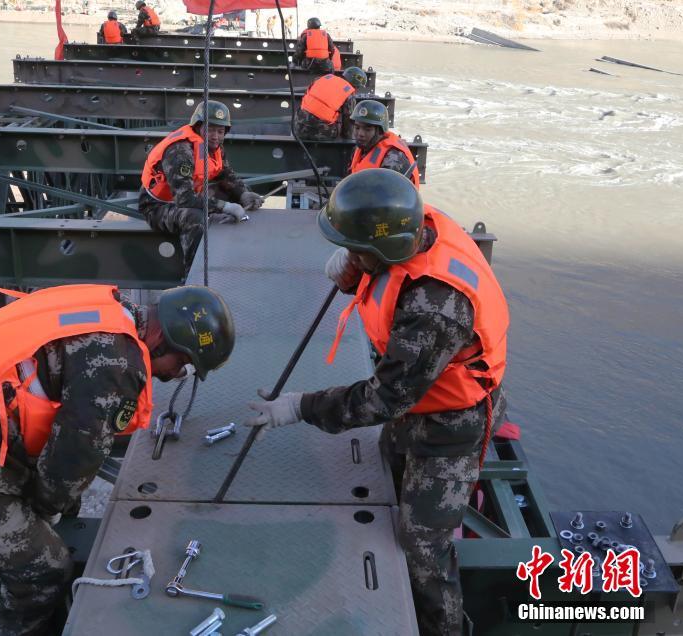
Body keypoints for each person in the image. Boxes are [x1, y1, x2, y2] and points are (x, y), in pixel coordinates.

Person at [244, 169, 509, 636]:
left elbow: (384, 399)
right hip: (419, 399)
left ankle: (443, 629)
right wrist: (355, 265)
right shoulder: (414, 225)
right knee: (388, 468)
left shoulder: (434, 307)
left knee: (422, 544)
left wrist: (300, 407)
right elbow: (386, 271)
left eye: (357, 248)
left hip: (454, 422)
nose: (350, 254)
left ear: (386, 249)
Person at [0, 283, 235, 635]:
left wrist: (50, 509)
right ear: (162, 337)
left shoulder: (113, 311)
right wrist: (45, 513)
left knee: (62, 509)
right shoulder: (117, 366)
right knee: (45, 569)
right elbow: (71, 465)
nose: (176, 374)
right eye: (182, 363)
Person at [139, 101, 265, 269]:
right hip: (157, 206)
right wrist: (224, 206)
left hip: (189, 194)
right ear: (198, 126)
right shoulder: (181, 152)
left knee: (232, 194)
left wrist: (243, 193)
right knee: (194, 218)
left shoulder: (214, 146)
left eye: (220, 131)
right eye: (210, 129)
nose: (215, 136)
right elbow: (184, 199)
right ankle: (195, 271)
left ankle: (233, 251)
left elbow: (225, 174)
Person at [348, 100, 420, 187]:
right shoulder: (360, 148)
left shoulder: (393, 158)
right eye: (357, 128)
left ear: (380, 131)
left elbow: (388, 193)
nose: (360, 134)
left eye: (367, 129)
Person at [294, 66, 368, 141]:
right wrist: (347, 138)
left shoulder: (322, 78)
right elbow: (348, 120)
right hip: (319, 134)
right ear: (356, 85)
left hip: (298, 128)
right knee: (338, 124)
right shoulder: (349, 93)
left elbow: (306, 96)